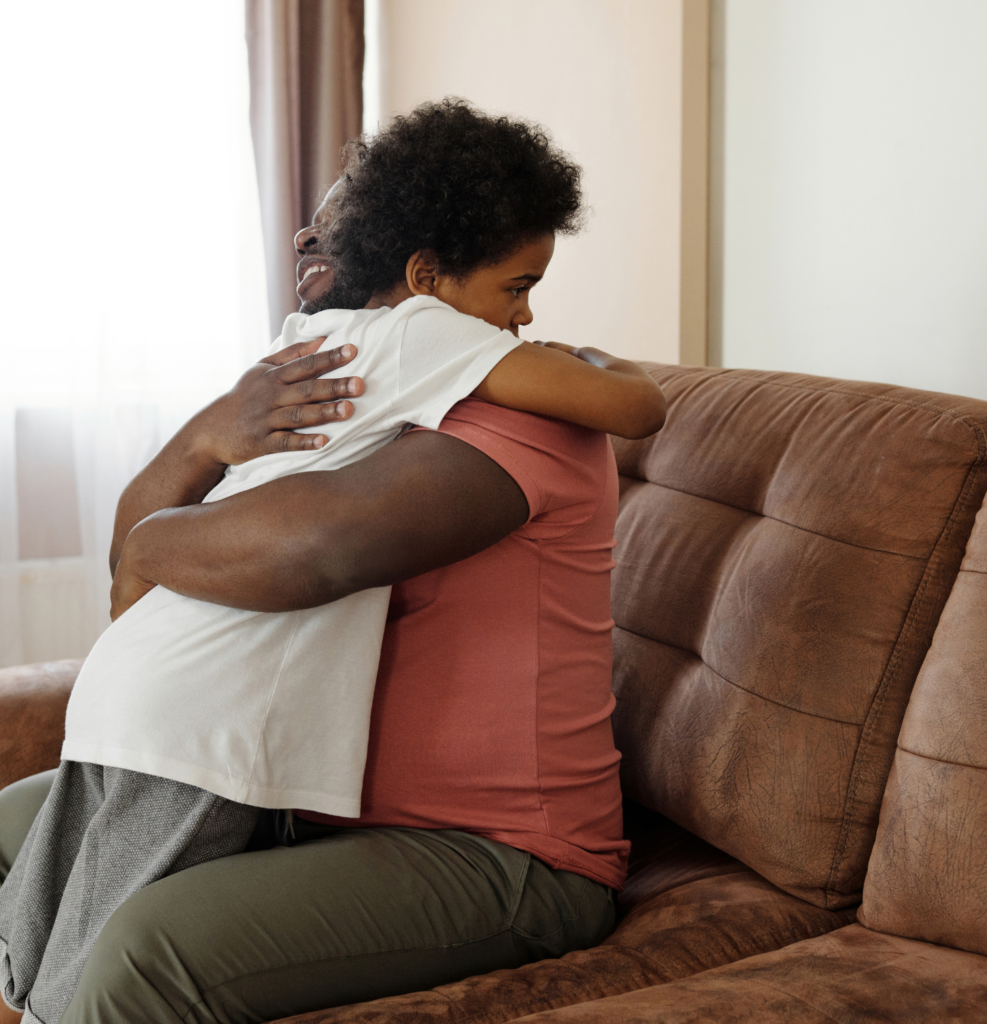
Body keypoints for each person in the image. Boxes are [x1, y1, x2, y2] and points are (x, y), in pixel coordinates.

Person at [0, 99, 662, 1024]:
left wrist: (161, 541)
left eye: (528, 288)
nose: (527, 318)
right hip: (297, 800)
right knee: (10, 831)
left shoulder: (525, 419)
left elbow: (308, 549)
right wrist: (204, 434)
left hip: (503, 853)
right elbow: (141, 574)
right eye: (516, 285)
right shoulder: (339, 377)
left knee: (141, 957)